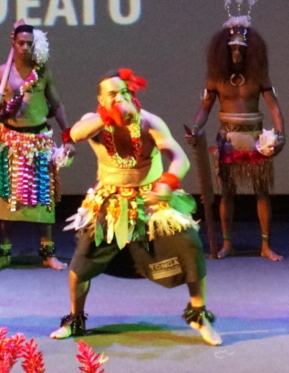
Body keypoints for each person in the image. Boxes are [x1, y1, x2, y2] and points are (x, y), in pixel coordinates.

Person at [52, 70, 220, 346]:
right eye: (113, 94)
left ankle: (199, 315)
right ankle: (75, 319)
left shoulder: (149, 122)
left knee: (189, 245)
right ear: (101, 100)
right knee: (81, 261)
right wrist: (107, 116)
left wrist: (166, 184)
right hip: (109, 203)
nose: (121, 98)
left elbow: (179, 158)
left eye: (125, 93)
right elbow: (75, 133)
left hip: (151, 202)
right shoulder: (94, 124)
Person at [188, 0, 284, 259]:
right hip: (228, 139)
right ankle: (227, 242)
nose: (237, 53)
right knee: (226, 193)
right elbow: (205, 108)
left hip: (255, 138)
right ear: (224, 50)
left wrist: (280, 133)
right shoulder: (216, 78)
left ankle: (265, 244)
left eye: (242, 49)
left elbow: (274, 107)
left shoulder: (258, 76)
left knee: (261, 191)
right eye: (233, 49)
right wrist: (195, 127)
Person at [0, 21, 70, 270]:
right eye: (20, 43)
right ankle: (4, 254)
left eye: (29, 44)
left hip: (38, 143)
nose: (24, 47)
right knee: (5, 203)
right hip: (9, 142)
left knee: (43, 200)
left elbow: (57, 105)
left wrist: (68, 137)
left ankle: (47, 253)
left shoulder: (42, 72)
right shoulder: (1, 73)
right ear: (13, 43)